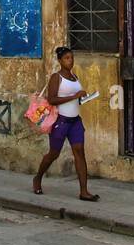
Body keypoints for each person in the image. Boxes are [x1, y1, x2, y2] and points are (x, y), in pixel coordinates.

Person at [32, 46, 98, 201]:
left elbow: (76, 101)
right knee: (53, 154)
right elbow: (52, 99)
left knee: (80, 152)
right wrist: (74, 96)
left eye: (72, 58)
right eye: (67, 58)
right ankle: (38, 178)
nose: (71, 61)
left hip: (75, 121)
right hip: (61, 122)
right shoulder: (57, 77)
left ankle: (84, 191)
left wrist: (83, 98)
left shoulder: (75, 77)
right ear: (60, 60)